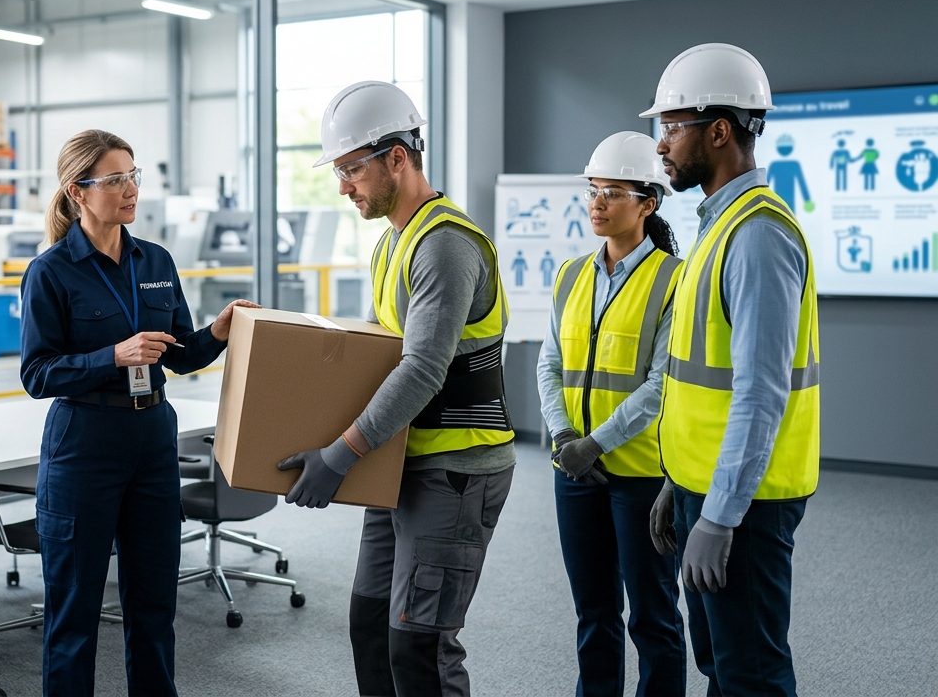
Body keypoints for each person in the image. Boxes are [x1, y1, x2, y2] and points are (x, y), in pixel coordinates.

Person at [276, 80, 516, 696]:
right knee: (369, 625)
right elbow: (379, 350)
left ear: (398, 158)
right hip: (400, 464)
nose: (342, 186)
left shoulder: (444, 247)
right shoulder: (394, 243)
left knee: (421, 648)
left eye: (352, 169)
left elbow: (422, 370)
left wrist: (340, 454)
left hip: (454, 472)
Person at [19, 129, 258, 696]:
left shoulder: (156, 261)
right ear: (78, 191)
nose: (131, 190)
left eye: (134, 175)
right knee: (74, 613)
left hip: (153, 441)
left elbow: (181, 355)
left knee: (154, 606)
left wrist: (217, 332)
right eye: (116, 179)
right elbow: (38, 374)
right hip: (84, 445)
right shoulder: (51, 272)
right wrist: (113, 355)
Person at [642, 44, 820, 697]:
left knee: (751, 676)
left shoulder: (757, 236)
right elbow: (700, 381)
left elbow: (759, 395)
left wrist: (717, 516)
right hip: (707, 487)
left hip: (746, 504)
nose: (660, 145)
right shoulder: (718, 228)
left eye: (671, 126)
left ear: (719, 130)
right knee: (721, 664)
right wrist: (678, 484)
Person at [538, 131, 687, 697]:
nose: (597, 203)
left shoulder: (675, 279)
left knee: (653, 616)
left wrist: (595, 442)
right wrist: (562, 435)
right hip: (572, 470)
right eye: (593, 190)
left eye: (613, 192)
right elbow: (549, 363)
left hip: (641, 475)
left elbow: (660, 385)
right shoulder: (570, 275)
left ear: (648, 203)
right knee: (593, 612)